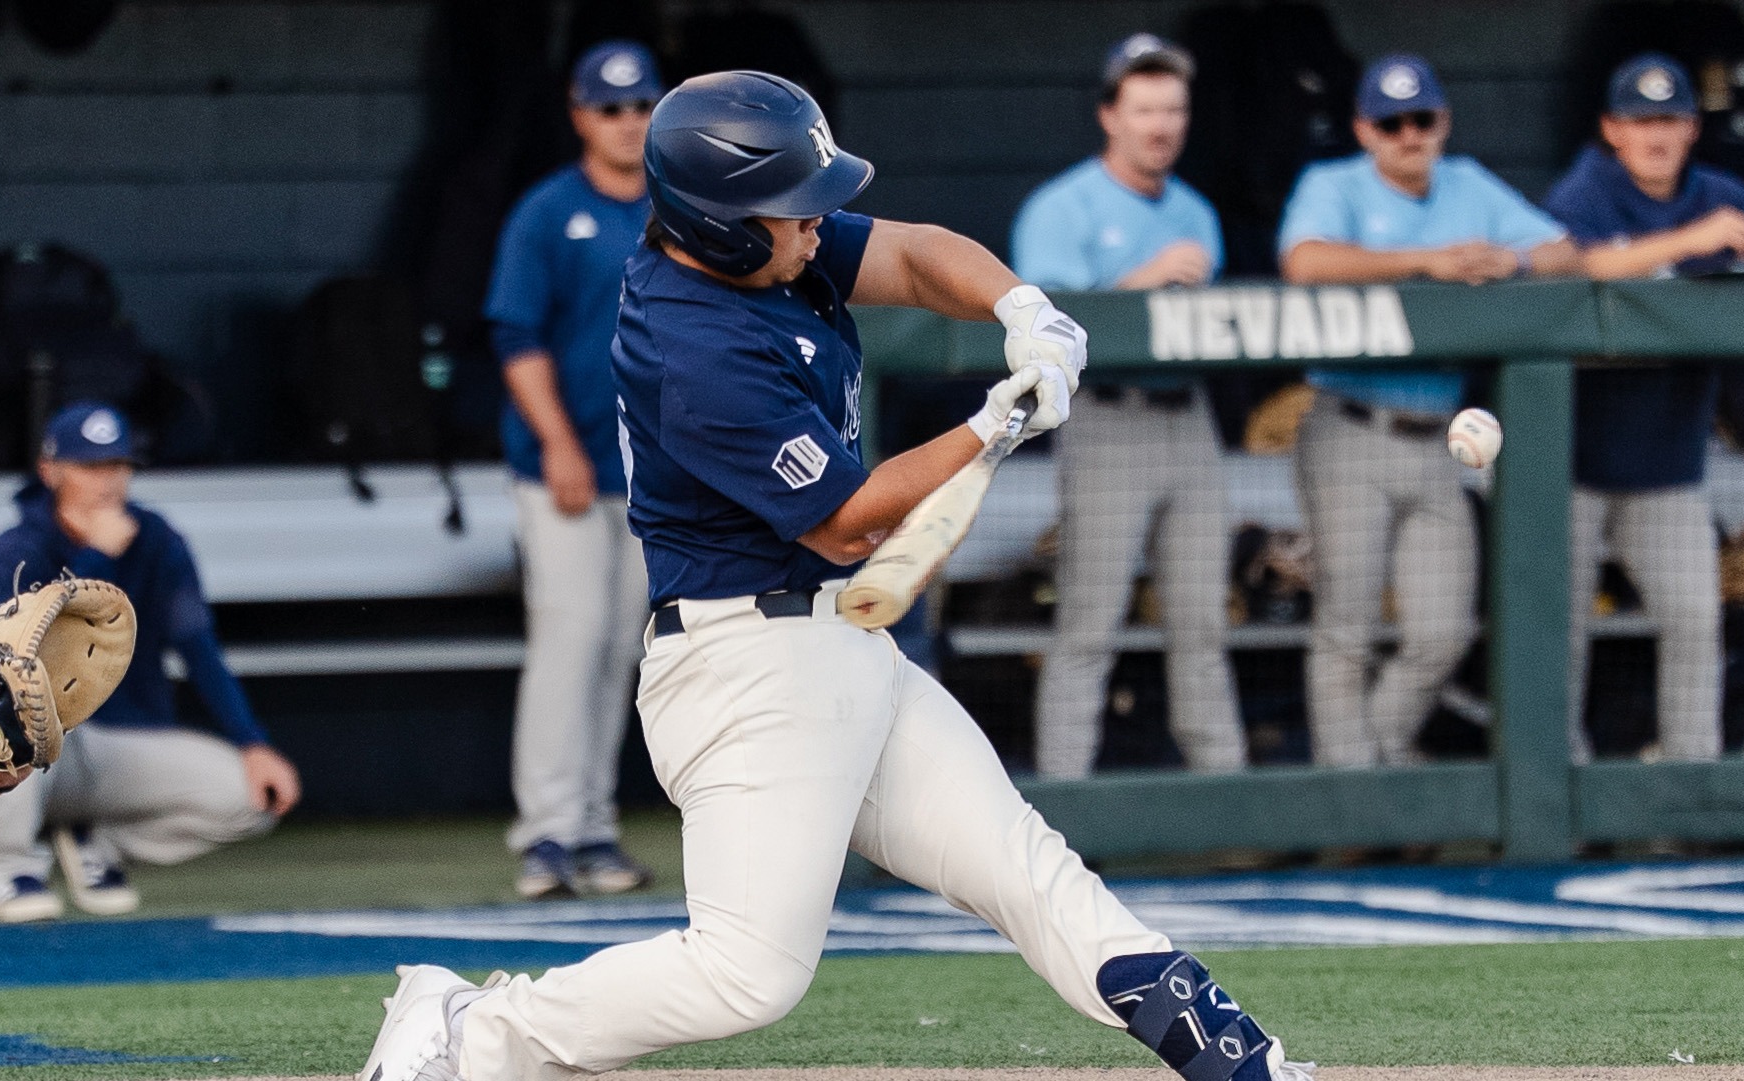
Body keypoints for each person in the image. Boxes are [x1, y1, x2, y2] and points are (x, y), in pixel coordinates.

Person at [359, 72, 1312, 1081]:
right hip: (745, 669)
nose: (819, 227)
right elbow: (845, 526)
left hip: (842, 646)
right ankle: (468, 1037)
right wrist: (994, 424)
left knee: (1021, 867)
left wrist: (1020, 308)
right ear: (722, 227)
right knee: (745, 974)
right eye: (795, 213)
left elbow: (906, 252)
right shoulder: (692, 345)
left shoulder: (770, 257)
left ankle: (1238, 1062)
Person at [1278, 54, 1578, 767]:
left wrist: (1519, 264)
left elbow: (1567, 250)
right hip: (1352, 420)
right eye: (1392, 123)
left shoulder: (1468, 184)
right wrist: (1425, 262)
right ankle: (1352, 797)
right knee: (1347, 623)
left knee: (1442, 628)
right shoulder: (1334, 184)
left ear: (1442, 122)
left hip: (1439, 434)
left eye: (1422, 120)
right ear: (1364, 129)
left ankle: (1372, 762)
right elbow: (1305, 262)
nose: (1409, 135)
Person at [1544, 54, 1744, 763]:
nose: (1656, 136)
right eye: (1640, 122)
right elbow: (1570, 261)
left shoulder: (1717, 192)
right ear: (1612, 129)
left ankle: (1686, 789)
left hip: (1668, 465)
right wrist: (1687, 244)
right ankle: (1561, 789)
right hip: (1569, 463)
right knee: (1557, 633)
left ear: (1692, 128)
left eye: (1669, 120)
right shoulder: (1589, 188)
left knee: (1695, 623)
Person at [0, 403, 301, 923]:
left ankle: (101, 844)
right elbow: (13, 663)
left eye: (118, 466)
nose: (107, 482)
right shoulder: (17, 548)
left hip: (121, 744)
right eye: (89, 467)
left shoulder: (156, 540)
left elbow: (198, 646)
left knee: (251, 796)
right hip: (29, 747)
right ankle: (11, 868)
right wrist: (94, 558)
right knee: (16, 726)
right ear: (51, 471)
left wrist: (251, 742)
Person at [1013, 33, 1244, 779]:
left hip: (1190, 418)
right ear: (1111, 114)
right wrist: (1143, 278)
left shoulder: (1196, 211)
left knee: (1204, 623)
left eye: (1173, 109)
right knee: (1090, 622)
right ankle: (1063, 802)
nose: (1161, 124)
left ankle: (1224, 795)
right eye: (1144, 108)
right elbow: (1042, 328)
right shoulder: (1062, 207)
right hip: (1107, 418)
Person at [483, 39, 659, 899]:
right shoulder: (549, 210)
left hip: (649, 470)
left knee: (622, 646)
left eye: (640, 106)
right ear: (581, 115)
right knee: (569, 634)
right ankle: (547, 832)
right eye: (611, 108)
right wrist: (557, 441)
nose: (628, 123)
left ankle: (593, 825)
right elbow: (516, 337)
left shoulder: (679, 206)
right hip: (563, 464)